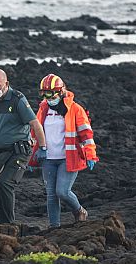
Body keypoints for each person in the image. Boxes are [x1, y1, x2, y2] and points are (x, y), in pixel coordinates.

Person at [28, 74, 98, 227]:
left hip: (69, 158)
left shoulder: (75, 109)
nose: (47, 97)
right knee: (51, 195)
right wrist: (31, 157)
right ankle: (54, 227)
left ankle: (79, 210)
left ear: (60, 91)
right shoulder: (43, 109)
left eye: (50, 93)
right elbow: (35, 133)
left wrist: (90, 154)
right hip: (48, 159)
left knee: (62, 192)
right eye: (44, 93)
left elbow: (86, 133)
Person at [0, 68, 47, 224]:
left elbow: (35, 124)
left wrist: (42, 147)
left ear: (6, 83)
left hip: (19, 152)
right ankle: (3, 223)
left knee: (5, 183)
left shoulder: (17, 99)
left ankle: (8, 224)